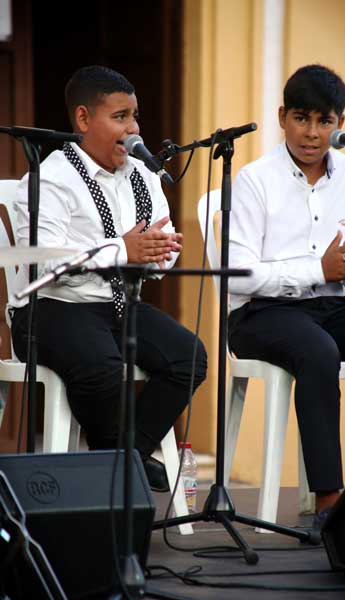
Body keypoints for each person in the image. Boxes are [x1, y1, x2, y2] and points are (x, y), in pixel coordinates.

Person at [9, 65, 207, 491]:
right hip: (52, 308)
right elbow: (41, 264)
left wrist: (158, 254)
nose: (133, 127)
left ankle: (124, 458)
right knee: (102, 366)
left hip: (117, 305)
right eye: (120, 116)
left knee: (189, 356)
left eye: (135, 116)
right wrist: (123, 249)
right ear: (83, 119)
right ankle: (120, 468)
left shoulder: (144, 174)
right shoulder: (50, 178)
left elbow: (161, 246)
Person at [228, 64, 345, 529]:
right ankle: (329, 503)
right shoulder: (254, 179)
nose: (311, 133)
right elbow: (237, 277)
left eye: (324, 121)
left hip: (332, 304)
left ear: (340, 124)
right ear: (282, 116)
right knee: (319, 353)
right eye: (301, 118)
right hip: (262, 313)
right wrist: (316, 270)